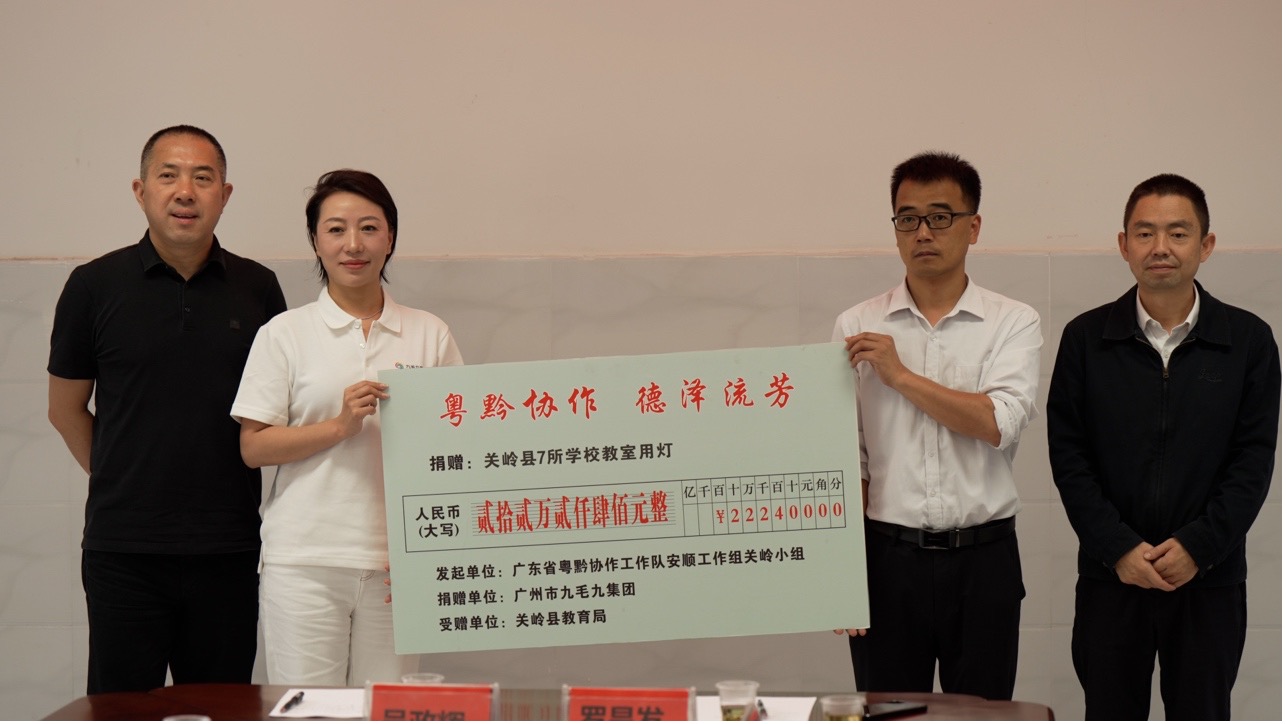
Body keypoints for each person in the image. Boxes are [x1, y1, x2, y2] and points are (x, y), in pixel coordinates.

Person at [47, 125, 287, 693]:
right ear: (140, 191)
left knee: (222, 708)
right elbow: (65, 409)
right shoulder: (92, 286)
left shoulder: (258, 288)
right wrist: (124, 477)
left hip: (229, 546)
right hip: (123, 551)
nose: (185, 192)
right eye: (168, 175)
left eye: (203, 178)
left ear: (225, 195)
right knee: (120, 710)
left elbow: (276, 413)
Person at [1047, 174, 1279, 720]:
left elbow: (1253, 460)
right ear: (1124, 244)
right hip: (1111, 577)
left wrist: (1199, 546)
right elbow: (1069, 457)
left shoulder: (1248, 340)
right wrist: (1118, 548)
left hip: (1209, 580)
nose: (1160, 247)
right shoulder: (1085, 339)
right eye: (1145, 232)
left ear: (1206, 244)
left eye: (1178, 233)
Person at [232, 169, 464, 686]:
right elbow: (253, 447)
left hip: (398, 563)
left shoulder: (430, 333)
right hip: (304, 561)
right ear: (316, 241)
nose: (353, 244)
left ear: (390, 238)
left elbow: (457, 446)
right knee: (308, 713)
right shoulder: (284, 333)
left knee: (386, 711)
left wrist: (435, 546)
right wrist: (338, 426)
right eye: (336, 229)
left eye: (369, 228)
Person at [831, 151, 1042, 699]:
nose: (923, 232)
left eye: (940, 217)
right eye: (908, 218)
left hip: (985, 560)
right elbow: (847, 458)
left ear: (974, 227)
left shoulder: (1013, 321)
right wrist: (844, 574)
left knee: (983, 714)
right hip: (886, 560)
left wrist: (899, 375)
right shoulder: (856, 324)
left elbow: (998, 422)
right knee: (887, 711)